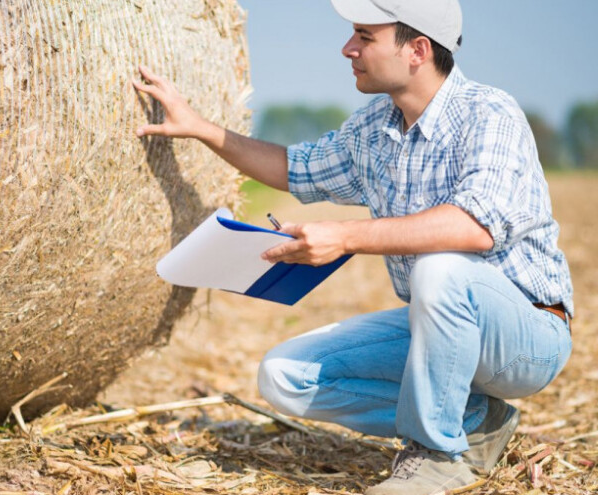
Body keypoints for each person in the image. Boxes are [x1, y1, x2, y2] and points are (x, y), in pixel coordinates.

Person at [133, 0, 573, 493]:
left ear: (418, 50)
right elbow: (292, 168)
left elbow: (474, 227)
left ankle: (437, 456)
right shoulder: (374, 129)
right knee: (283, 375)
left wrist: (344, 237)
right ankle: (475, 420)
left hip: (526, 336)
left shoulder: (490, 114)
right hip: (437, 329)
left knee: (440, 268)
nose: (348, 48)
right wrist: (201, 127)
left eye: (365, 36)